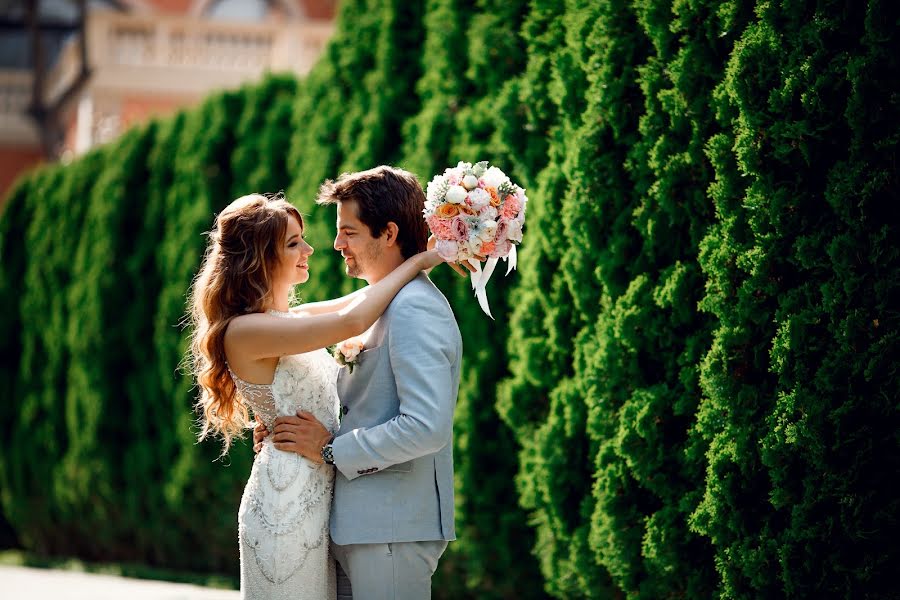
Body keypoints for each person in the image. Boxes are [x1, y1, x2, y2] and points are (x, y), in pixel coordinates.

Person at [187, 192, 446, 600]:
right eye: (293, 243)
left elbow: (360, 300)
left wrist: (418, 255)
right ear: (259, 257)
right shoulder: (245, 330)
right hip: (284, 503)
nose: (310, 249)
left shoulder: (282, 320)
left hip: (319, 494)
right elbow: (354, 319)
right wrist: (420, 262)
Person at [255, 166, 464, 600]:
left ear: (388, 233)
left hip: (391, 528)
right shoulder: (383, 305)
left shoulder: (415, 310)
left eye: (348, 231)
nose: (336, 245)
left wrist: (329, 449)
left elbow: (426, 426)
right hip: (360, 524)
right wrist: (286, 423)